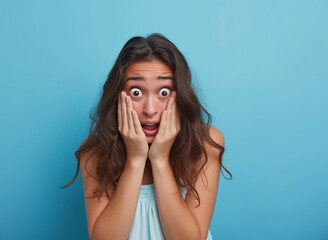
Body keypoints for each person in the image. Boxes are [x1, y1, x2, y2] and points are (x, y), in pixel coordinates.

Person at [61, 33, 232, 240]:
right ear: (118, 97)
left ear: (180, 95)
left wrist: (159, 160)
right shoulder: (95, 152)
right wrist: (135, 159)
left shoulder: (205, 144)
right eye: (136, 92)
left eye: (164, 93)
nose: (150, 110)